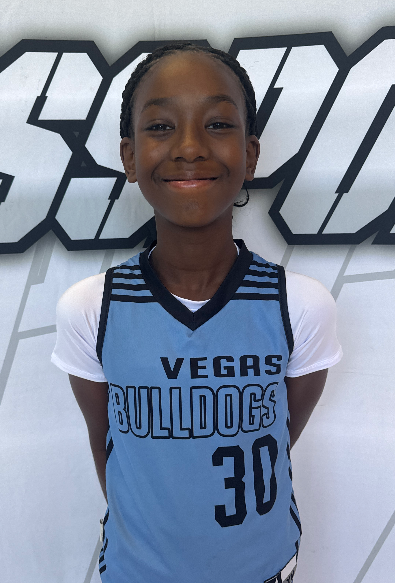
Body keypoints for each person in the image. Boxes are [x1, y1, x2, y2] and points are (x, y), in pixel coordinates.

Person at [51, 42, 342, 583]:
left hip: (264, 566)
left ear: (250, 154)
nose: (189, 147)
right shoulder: (92, 308)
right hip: (138, 571)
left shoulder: (299, 304)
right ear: (130, 156)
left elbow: (282, 431)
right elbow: (109, 444)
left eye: (218, 124)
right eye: (161, 127)